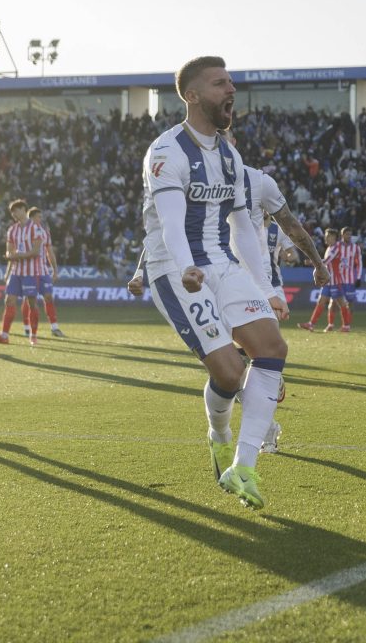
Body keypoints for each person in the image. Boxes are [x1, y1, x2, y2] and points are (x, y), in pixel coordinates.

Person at [140, 55, 290, 510]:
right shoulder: (166, 152)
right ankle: (218, 435)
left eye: (231, 82)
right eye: (219, 83)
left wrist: (266, 288)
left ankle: (244, 466)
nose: (231, 90)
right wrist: (187, 266)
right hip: (175, 268)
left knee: (273, 348)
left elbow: (243, 227)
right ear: (192, 95)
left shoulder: (230, 155)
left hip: (221, 262)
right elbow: (170, 223)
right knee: (228, 372)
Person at [237, 157, 329, 454]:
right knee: (231, 375)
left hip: (267, 289)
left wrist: (310, 261)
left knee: (258, 361)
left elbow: (293, 234)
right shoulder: (210, 190)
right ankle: (269, 388)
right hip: (228, 285)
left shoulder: (263, 196)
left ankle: (265, 432)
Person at [0, 199, 41, 346]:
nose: (14, 215)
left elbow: (36, 251)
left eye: (15, 211)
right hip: (16, 272)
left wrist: (18, 255)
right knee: (9, 300)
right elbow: (9, 250)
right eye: (12, 213)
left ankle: (33, 335)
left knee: (32, 302)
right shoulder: (12, 229)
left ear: (23, 209)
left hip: (31, 272)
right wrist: (10, 258)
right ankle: (4, 335)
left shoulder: (35, 228)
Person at [24, 206, 65, 338]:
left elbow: (49, 252)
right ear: (31, 218)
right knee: (29, 299)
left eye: (41, 217)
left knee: (48, 297)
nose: (40, 219)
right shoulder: (23, 232)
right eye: (38, 217)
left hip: (42, 270)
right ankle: (27, 327)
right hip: (28, 271)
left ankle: (54, 327)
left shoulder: (44, 232)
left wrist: (55, 270)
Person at [298, 229, 346, 332]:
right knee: (321, 301)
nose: (326, 238)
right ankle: (312, 324)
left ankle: (346, 326)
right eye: (325, 236)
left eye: (328, 236)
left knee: (340, 303)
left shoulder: (336, 248)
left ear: (333, 237)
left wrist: (312, 261)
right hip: (328, 280)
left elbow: (327, 260)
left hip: (336, 280)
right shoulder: (329, 248)